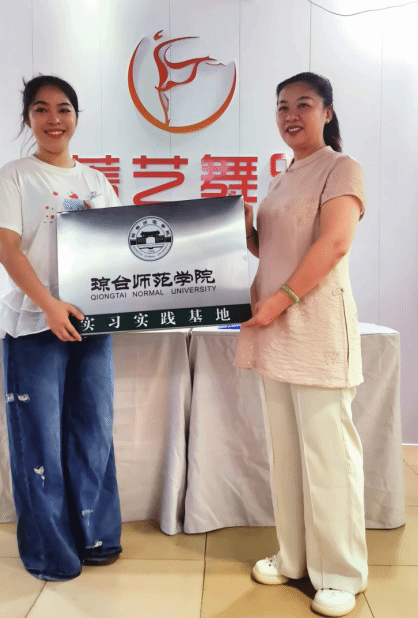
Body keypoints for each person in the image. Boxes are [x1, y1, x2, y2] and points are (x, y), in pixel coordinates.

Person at [235, 72, 368, 617]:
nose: (291, 115)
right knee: (286, 453)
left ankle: (340, 572)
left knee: (328, 455)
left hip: (314, 327)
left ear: (327, 112)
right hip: (274, 329)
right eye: (283, 106)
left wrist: (280, 299)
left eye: (304, 104)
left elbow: (334, 242)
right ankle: (293, 558)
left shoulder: (341, 168)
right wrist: (244, 230)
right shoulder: (281, 177)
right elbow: (273, 248)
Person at [0, 75, 122, 581]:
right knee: (38, 440)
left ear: (77, 117)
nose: (53, 119)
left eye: (64, 109)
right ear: (28, 119)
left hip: (91, 323)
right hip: (34, 323)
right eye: (41, 109)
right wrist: (50, 306)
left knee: (93, 432)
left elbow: (117, 248)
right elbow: (8, 250)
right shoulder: (14, 177)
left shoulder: (97, 181)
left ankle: (97, 538)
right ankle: (50, 554)